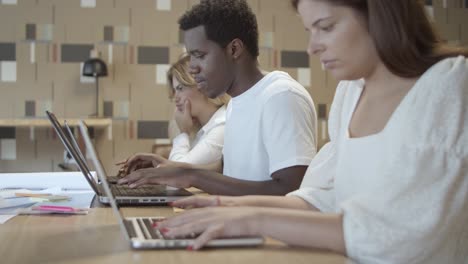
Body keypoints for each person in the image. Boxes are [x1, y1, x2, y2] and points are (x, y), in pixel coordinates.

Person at [152, 0, 468, 263]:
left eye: (326, 27)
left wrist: (252, 219)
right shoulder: (352, 91)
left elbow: (399, 235)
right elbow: (322, 197)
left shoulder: (448, 85)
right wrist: (226, 207)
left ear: (379, 13)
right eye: (309, 30)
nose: (313, 47)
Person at [117, 0, 317, 196]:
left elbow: (291, 189)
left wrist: (191, 176)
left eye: (200, 55)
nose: (192, 67)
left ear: (234, 49)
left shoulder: (281, 96)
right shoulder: (236, 102)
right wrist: (171, 169)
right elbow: (227, 167)